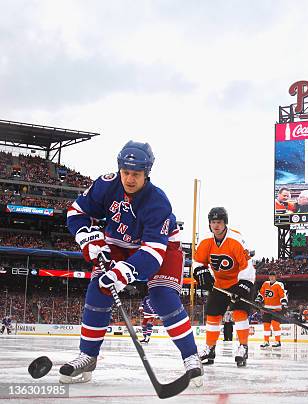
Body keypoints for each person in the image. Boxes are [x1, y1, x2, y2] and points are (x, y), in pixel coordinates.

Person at [60, 141, 202, 385]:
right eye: (125, 172)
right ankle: (87, 356)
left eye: (136, 174)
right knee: (98, 289)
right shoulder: (105, 184)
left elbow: (152, 253)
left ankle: (192, 357)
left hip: (162, 247)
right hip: (118, 243)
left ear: (147, 173)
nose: (129, 179)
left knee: (162, 297)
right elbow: (76, 212)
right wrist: (88, 239)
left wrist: (121, 274)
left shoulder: (158, 201)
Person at [193, 207, 255, 367]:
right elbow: (198, 260)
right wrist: (200, 271)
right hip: (219, 284)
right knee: (213, 315)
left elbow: (247, 264)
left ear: (225, 223)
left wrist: (244, 285)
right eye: (213, 222)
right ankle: (210, 349)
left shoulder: (236, 240)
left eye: (219, 222)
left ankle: (243, 347)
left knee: (240, 313)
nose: (216, 225)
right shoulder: (205, 241)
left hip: (239, 282)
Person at [256, 271, 288, 349]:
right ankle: (266, 341)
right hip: (266, 308)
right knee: (266, 325)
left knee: (275, 324)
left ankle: (278, 341)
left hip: (277, 309)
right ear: (269, 277)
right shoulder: (265, 283)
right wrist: (259, 298)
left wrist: (283, 302)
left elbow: (282, 294)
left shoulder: (279, 284)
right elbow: (261, 293)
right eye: (270, 276)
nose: (272, 277)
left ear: (275, 277)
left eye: (273, 276)